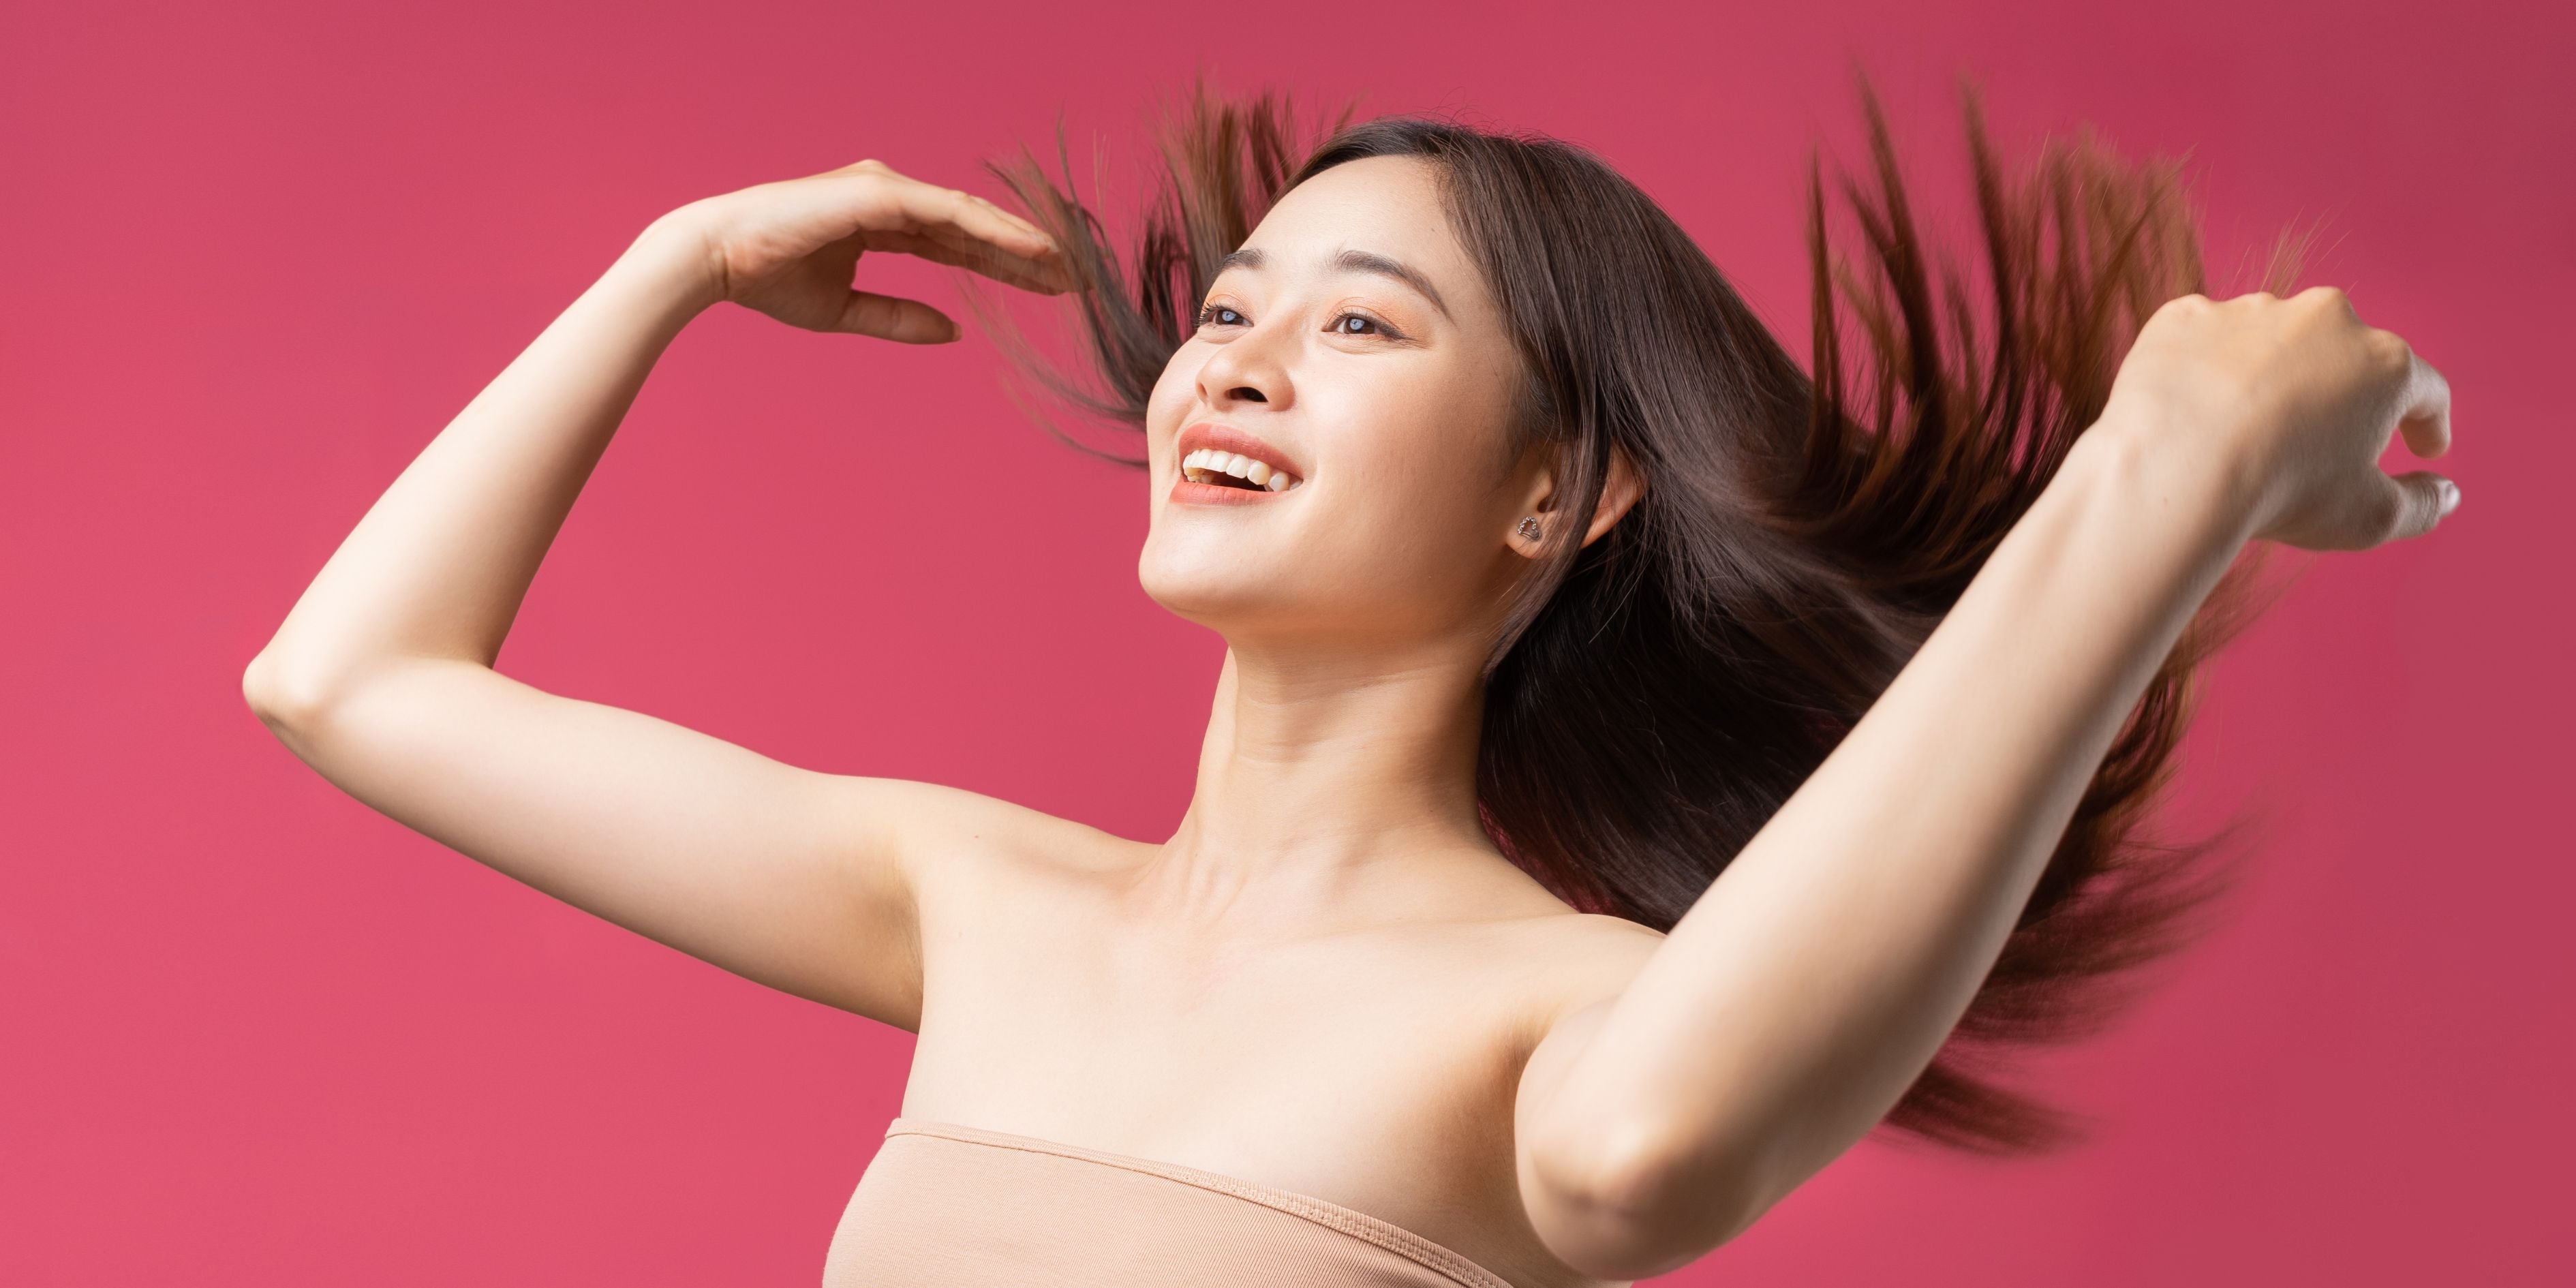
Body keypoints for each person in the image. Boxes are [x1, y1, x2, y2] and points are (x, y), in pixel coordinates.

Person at [240, 78, 2459, 1287]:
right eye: (1237, 304)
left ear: (1551, 500)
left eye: (1366, 324)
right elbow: (350, 679)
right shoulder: (979, 905)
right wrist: (678, 267)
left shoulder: (1573, 1017)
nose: (1237, 354)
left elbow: (1639, 1151)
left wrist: (2164, 470)